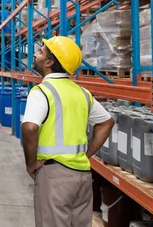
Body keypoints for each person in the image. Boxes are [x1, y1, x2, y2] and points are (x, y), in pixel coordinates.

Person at [22, 36, 114, 227]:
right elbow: (107, 122)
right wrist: (85, 154)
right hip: (82, 176)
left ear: (49, 62)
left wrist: (31, 164)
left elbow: (30, 127)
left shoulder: (41, 92)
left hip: (54, 175)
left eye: (40, 52)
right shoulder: (82, 93)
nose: (35, 54)